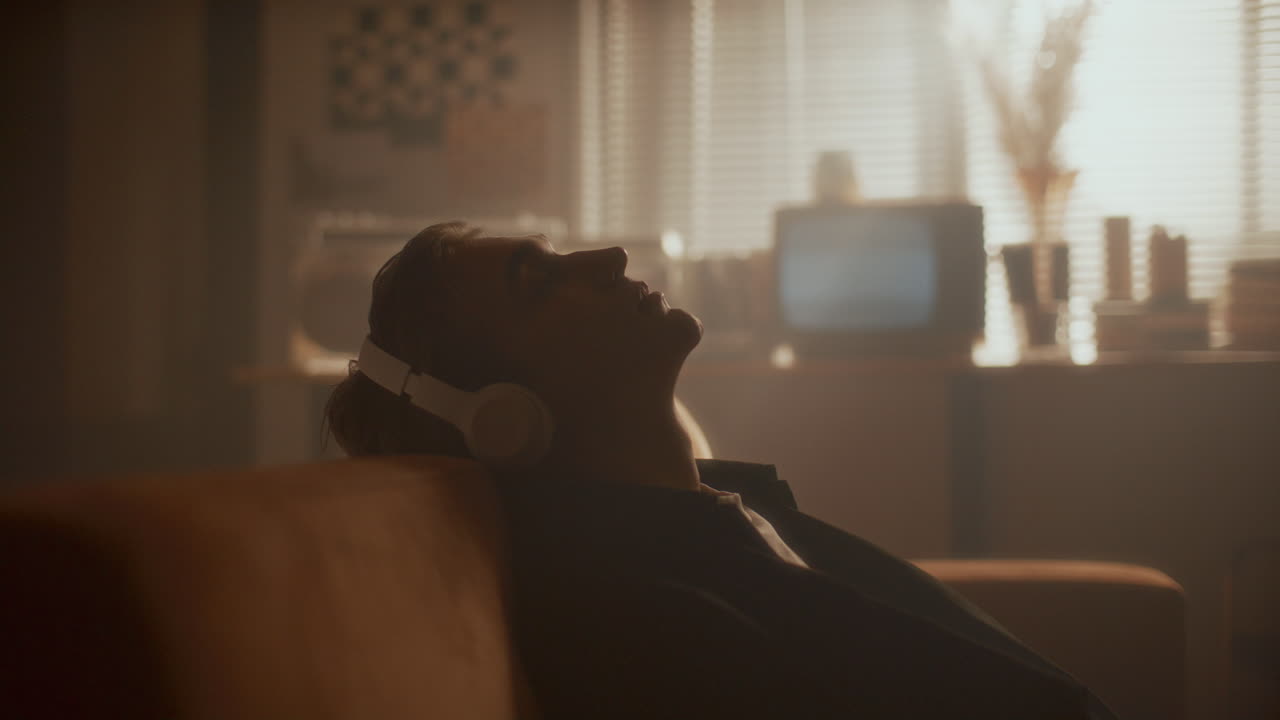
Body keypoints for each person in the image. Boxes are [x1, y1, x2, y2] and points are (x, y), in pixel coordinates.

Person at [326, 222, 1118, 719]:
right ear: (501, 414)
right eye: (541, 281)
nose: (608, 254)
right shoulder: (637, 622)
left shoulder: (730, 510)